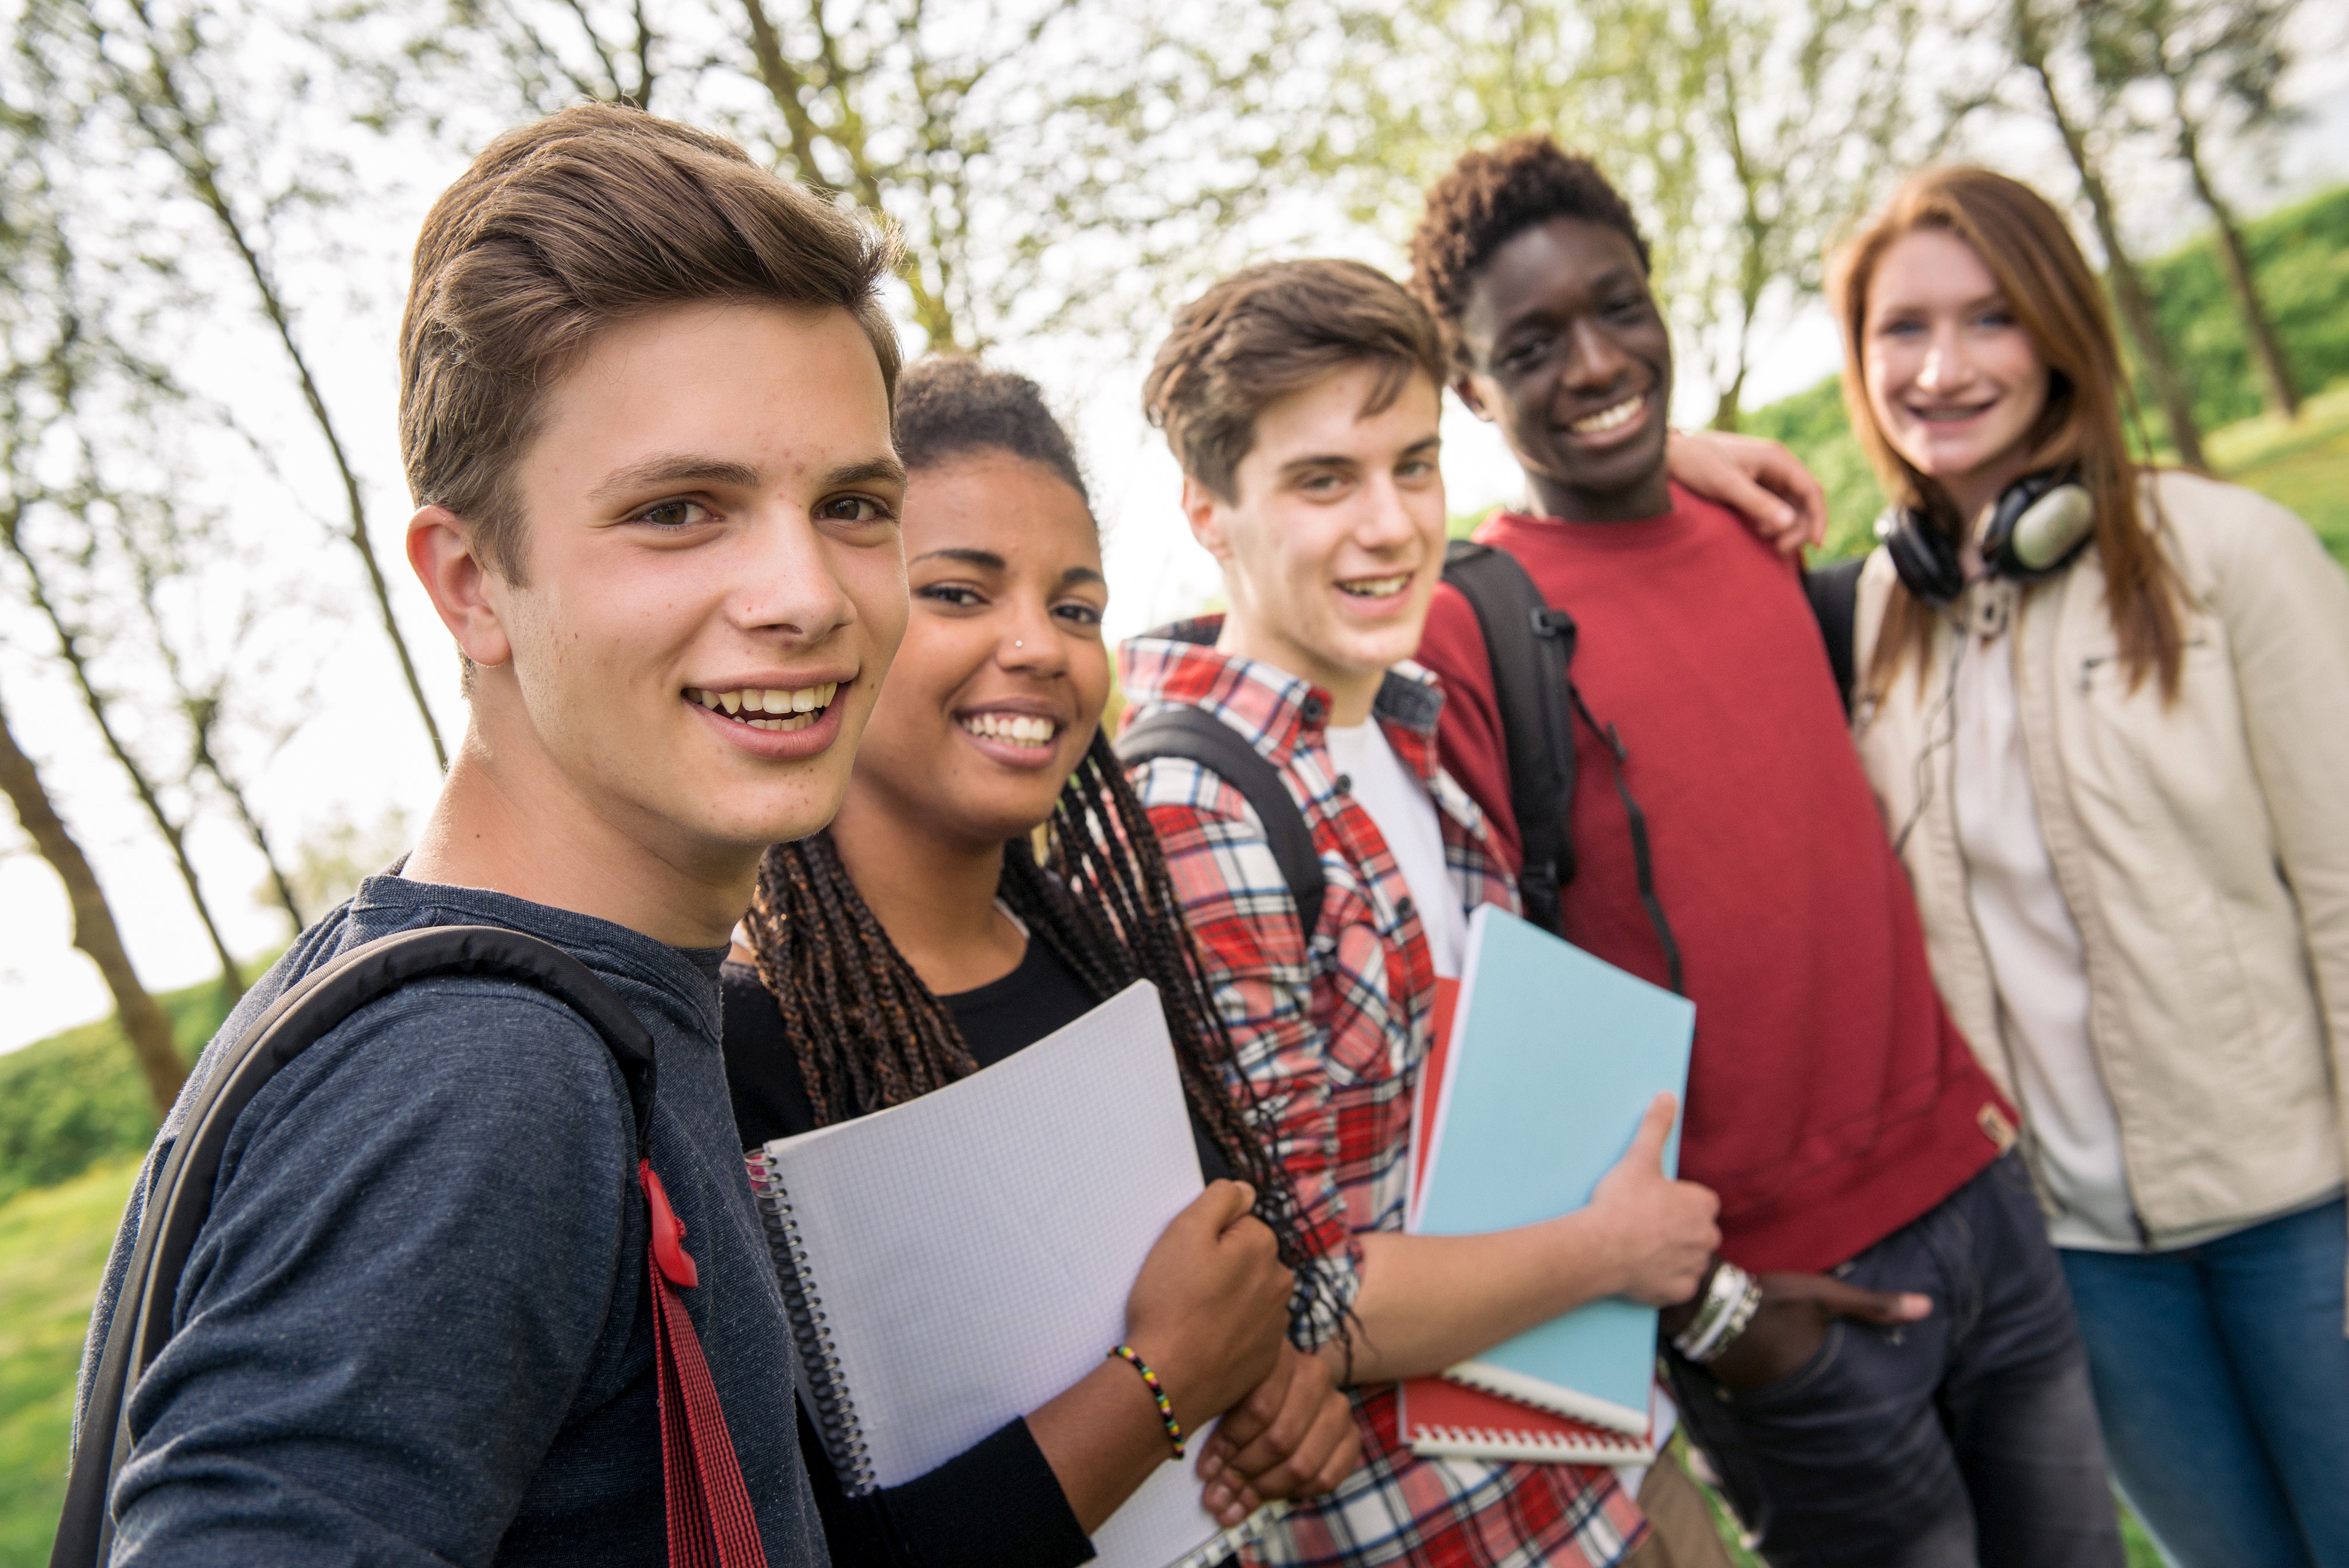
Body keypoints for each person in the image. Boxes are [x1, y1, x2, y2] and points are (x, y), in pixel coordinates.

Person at [69, 104, 899, 1563]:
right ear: (468, 583)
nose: (805, 590)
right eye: (679, 509)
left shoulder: (540, 994)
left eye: (851, 503)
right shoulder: (477, 1079)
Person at [1403, 135, 2125, 1568]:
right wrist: (1721, 1313)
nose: (1597, 360)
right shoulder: (1464, 628)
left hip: (1982, 1202)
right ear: (1471, 390)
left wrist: (1670, 458)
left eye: (1619, 307)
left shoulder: (1755, 539)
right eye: (1531, 344)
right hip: (1786, 1307)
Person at [1122, 256, 1834, 1568]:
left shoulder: (1403, 721)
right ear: (1207, 512)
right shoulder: (1199, 810)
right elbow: (1303, 1299)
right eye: (1322, 479)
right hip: (1444, 1527)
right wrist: (1611, 1247)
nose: (1391, 524)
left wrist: (1672, 451)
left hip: (1600, 1460)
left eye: (1412, 463)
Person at [721, 358, 1361, 1567]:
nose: (1040, 645)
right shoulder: (741, 1053)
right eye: (961, 591)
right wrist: (1163, 1381)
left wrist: (1286, 1388)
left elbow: (1238, 1305)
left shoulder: (1106, 956)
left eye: (1074, 606)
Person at [1827, 165, 2349, 1568]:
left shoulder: (2228, 553)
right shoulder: (1889, 605)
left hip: (2301, 1215)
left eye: (1989, 318)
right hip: (2082, 1262)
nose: (1939, 367)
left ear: (2057, 328)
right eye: (1900, 328)